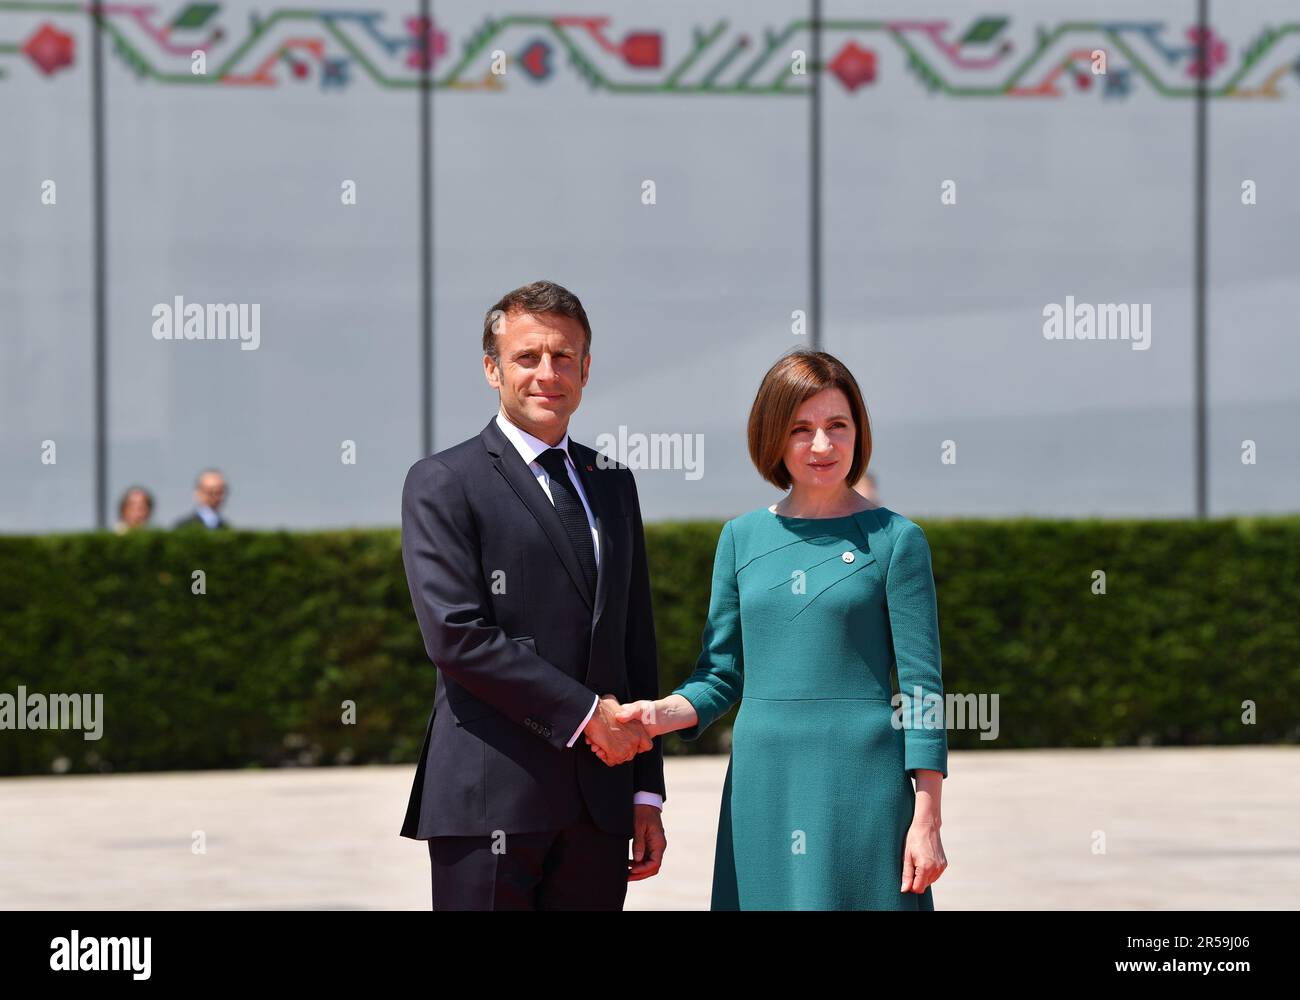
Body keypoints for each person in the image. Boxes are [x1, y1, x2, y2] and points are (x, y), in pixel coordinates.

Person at [601, 349, 949, 909]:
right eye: (801, 429)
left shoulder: (897, 540)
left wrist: (927, 816)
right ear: (772, 437)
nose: (821, 445)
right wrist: (659, 713)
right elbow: (719, 676)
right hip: (764, 784)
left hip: (863, 785)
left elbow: (923, 690)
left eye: (838, 426)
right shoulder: (739, 538)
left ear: (858, 432)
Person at [399, 279, 667, 910]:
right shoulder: (443, 481)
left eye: (563, 357)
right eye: (527, 357)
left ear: (586, 369)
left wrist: (644, 794)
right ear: (493, 369)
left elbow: (634, 639)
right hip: (492, 796)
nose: (548, 373)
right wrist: (586, 716)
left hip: (599, 807)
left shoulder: (613, 482)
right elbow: (456, 635)